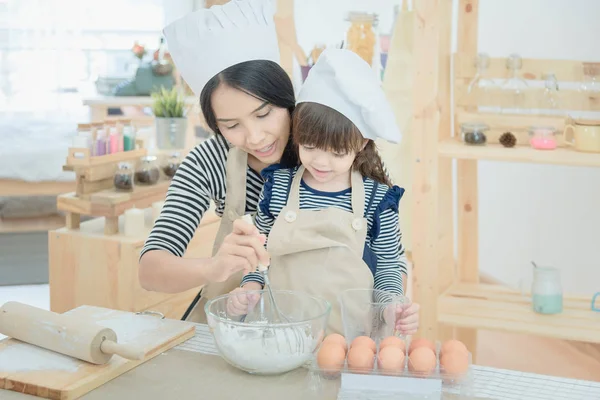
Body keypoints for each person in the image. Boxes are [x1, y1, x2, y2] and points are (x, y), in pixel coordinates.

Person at [227, 48, 420, 335]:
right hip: (282, 334)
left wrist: (392, 304)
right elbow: (259, 255)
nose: (320, 161)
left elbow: (389, 266)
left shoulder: (377, 199)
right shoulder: (278, 187)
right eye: (309, 146)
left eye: (337, 152)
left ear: (361, 142)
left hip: (351, 340)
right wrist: (248, 290)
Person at [138, 0, 297, 323]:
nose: (254, 138)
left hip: (321, 328)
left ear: (287, 99)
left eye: (263, 114)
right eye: (231, 126)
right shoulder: (209, 160)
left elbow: (387, 252)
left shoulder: (330, 146)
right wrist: (213, 267)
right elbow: (150, 270)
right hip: (237, 330)